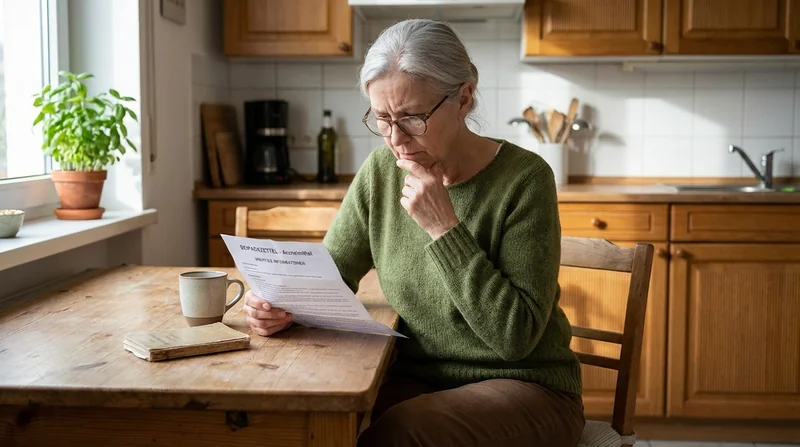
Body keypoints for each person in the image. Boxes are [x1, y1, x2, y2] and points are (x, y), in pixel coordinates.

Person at [242, 18, 585, 447]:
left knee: (398, 434)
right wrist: (281, 303)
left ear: (463, 98)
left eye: (412, 118)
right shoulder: (381, 172)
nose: (396, 140)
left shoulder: (525, 179)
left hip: (527, 387)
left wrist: (444, 228)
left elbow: (514, 338)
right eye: (382, 119)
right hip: (416, 381)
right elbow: (330, 277)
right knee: (307, 421)